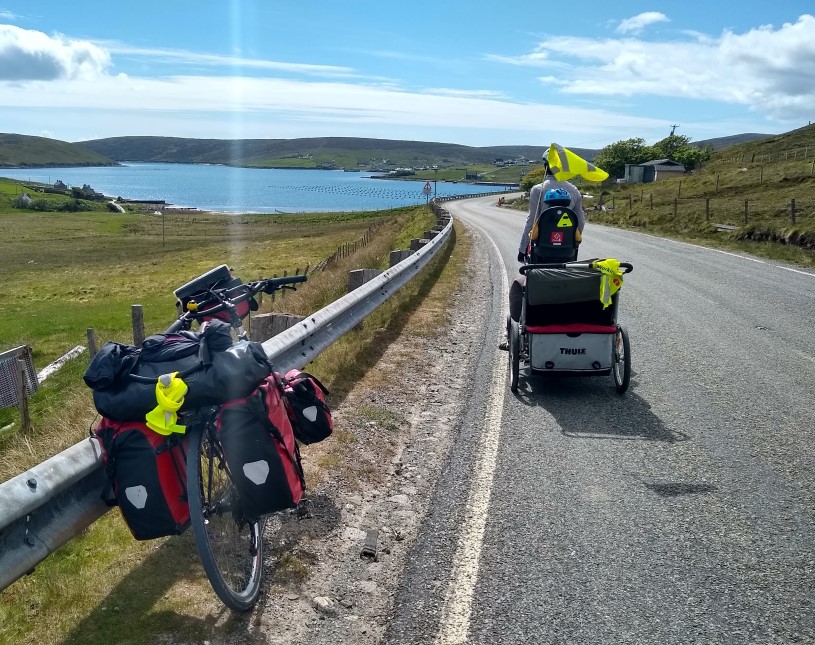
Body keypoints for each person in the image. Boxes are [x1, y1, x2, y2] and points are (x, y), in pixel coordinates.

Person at [499, 160, 586, 350]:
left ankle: (512, 334)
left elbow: (532, 220)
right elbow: (581, 221)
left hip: (541, 254)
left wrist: (523, 249)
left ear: (546, 167)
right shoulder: (574, 190)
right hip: (568, 255)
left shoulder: (538, 190)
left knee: (522, 285)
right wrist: (571, 241)